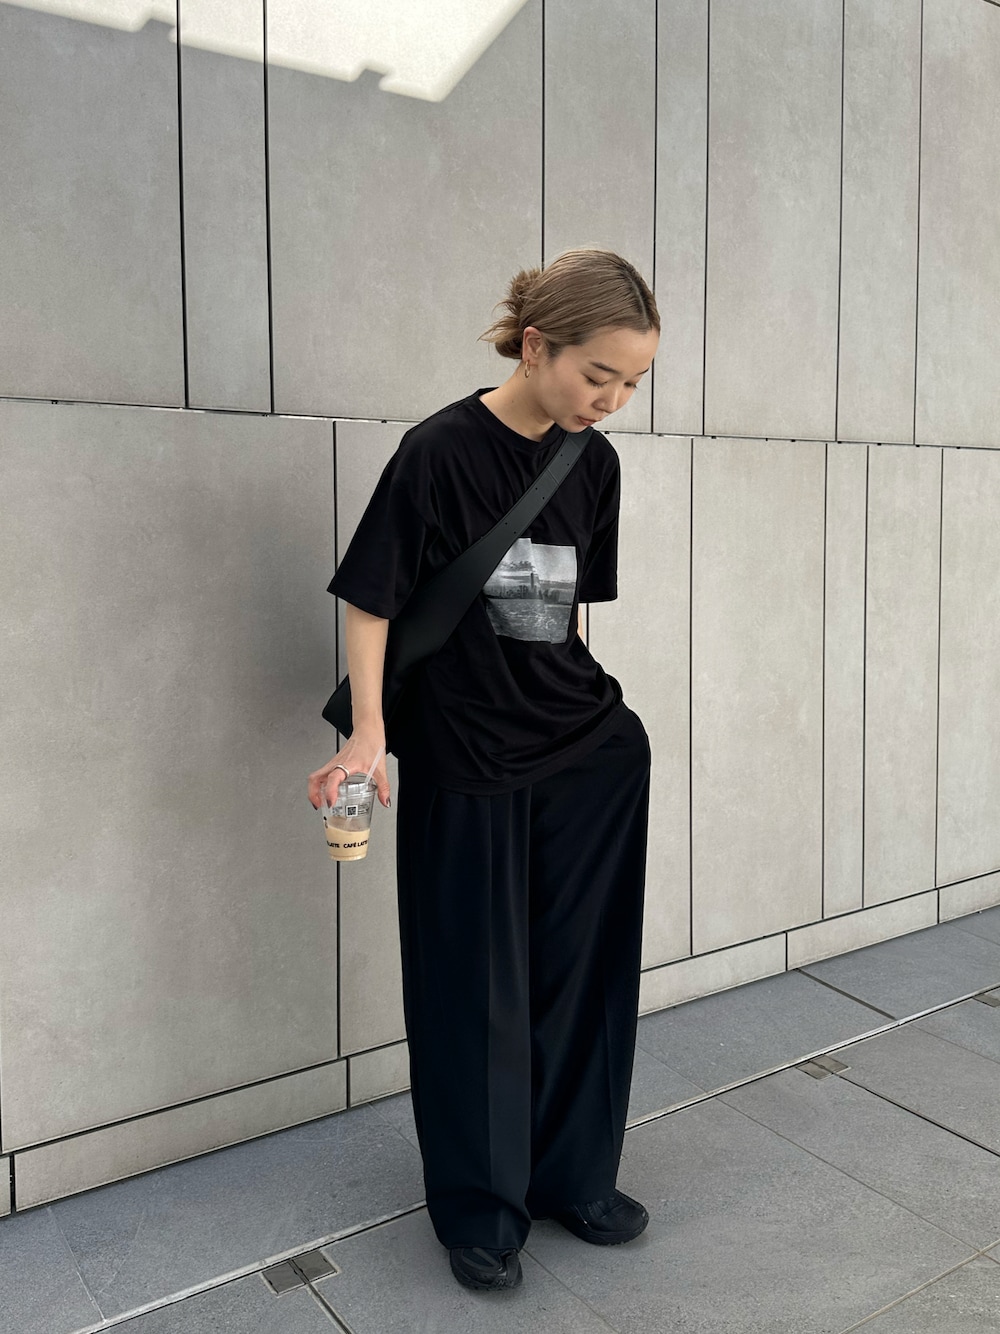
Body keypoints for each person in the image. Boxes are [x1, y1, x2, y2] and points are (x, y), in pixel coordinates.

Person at [308, 248, 659, 1293]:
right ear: (538, 344)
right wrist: (369, 731)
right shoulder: (439, 451)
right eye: (599, 374)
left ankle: (574, 1175)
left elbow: (568, 615)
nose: (613, 400)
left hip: (588, 755)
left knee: (584, 973)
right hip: (465, 756)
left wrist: (589, 712)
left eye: (633, 381)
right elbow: (371, 597)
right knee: (473, 987)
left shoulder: (594, 464)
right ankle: (481, 1207)